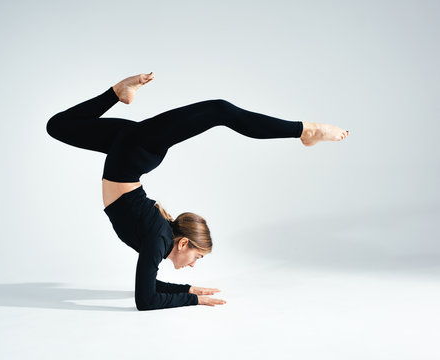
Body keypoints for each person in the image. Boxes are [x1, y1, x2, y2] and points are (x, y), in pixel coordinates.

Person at [46, 72, 350, 311]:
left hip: (130, 151)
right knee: (220, 110)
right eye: (197, 257)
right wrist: (191, 299)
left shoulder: (158, 241)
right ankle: (304, 129)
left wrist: (189, 292)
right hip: (132, 152)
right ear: (182, 244)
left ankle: (118, 92)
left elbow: (147, 295)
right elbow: (147, 298)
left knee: (58, 126)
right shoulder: (157, 241)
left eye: (197, 259)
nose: (193, 264)